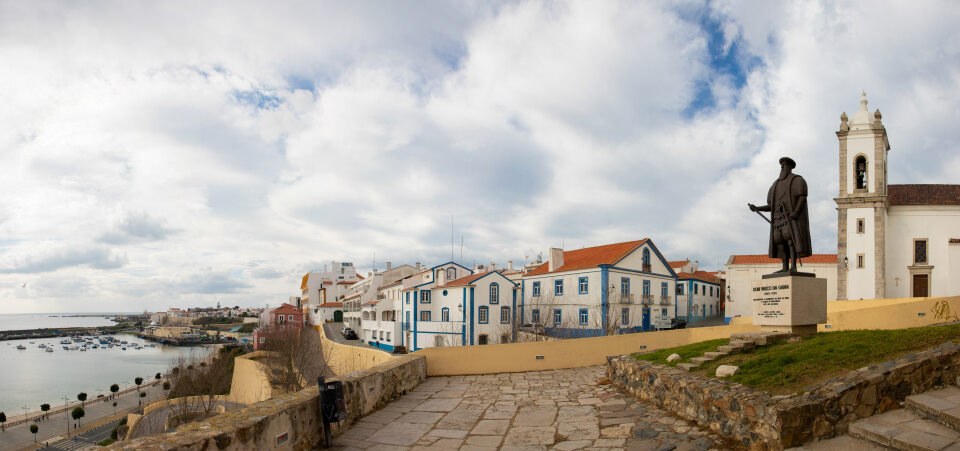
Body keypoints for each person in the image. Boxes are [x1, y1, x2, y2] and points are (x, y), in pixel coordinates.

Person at [748, 157, 812, 275]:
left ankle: (793, 266)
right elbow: (770, 206)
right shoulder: (775, 185)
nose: (782, 167)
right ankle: (784, 266)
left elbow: (802, 198)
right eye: (781, 165)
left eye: (785, 165)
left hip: (790, 218)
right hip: (778, 220)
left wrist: (795, 213)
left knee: (791, 241)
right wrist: (758, 208)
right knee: (779, 241)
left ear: (790, 167)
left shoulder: (797, 180)